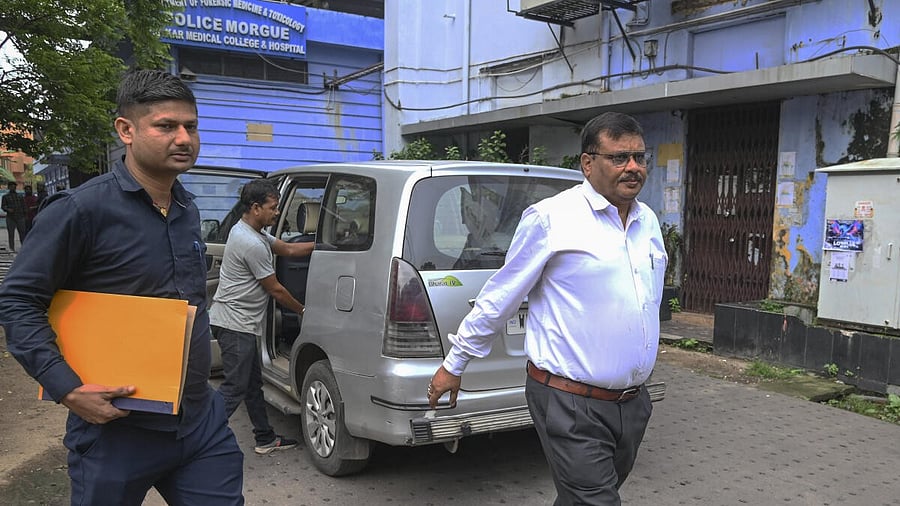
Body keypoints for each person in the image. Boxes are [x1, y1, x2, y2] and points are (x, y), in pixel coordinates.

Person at [0, 69, 244, 505]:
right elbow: (18, 300)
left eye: (191, 126)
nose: (184, 138)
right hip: (115, 429)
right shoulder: (80, 210)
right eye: (166, 126)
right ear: (126, 130)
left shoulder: (186, 207)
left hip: (198, 421)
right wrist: (67, 388)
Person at [427, 112, 666, 505]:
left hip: (631, 404)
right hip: (569, 402)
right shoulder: (552, 218)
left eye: (640, 157)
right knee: (596, 501)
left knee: (581, 498)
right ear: (588, 163)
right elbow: (501, 295)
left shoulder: (648, 221)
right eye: (619, 158)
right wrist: (455, 363)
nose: (634, 168)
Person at [209, 179, 313, 454]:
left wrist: (323, 245)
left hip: (239, 323)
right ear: (256, 208)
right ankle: (197, 440)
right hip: (235, 324)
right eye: (273, 207)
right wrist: (303, 311)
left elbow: (289, 249)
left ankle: (264, 438)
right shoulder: (250, 242)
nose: (277, 212)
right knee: (234, 388)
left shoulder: (251, 231)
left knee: (252, 385)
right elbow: (276, 289)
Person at [1, 181, 28, 251]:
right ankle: (12, 248)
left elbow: (24, 206)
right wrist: (8, 209)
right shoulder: (5, 196)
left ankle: (24, 248)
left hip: (20, 216)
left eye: (14, 186)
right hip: (10, 217)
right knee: (11, 234)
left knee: (22, 233)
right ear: (9, 187)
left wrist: (25, 215)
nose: (13, 187)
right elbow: (3, 206)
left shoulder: (20, 196)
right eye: (11, 186)